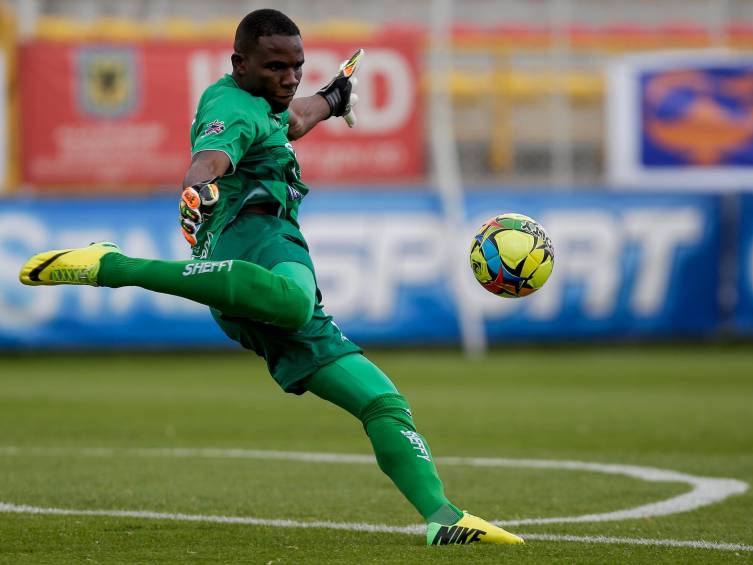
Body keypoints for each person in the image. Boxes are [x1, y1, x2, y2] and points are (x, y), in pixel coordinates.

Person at [19, 9, 522, 547]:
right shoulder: (230, 107)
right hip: (252, 241)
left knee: (381, 400)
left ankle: (443, 517)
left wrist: (333, 98)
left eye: (297, 66)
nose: (289, 78)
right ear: (240, 63)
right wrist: (198, 189)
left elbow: (295, 118)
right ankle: (115, 266)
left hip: (255, 269)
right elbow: (209, 158)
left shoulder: (268, 103)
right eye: (276, 67)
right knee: (295, 303)